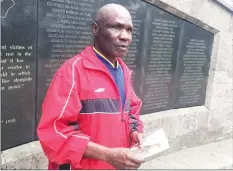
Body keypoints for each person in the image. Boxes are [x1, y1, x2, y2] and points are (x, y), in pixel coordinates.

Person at [37, 3, 144, 170]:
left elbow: (132, 111)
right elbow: (53, 132)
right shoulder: (72, 71)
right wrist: (107, 155)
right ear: (95, 29)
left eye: (129, 30)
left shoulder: (123, 71)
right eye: (116, 27)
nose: (125, 36)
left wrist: (134, 131)